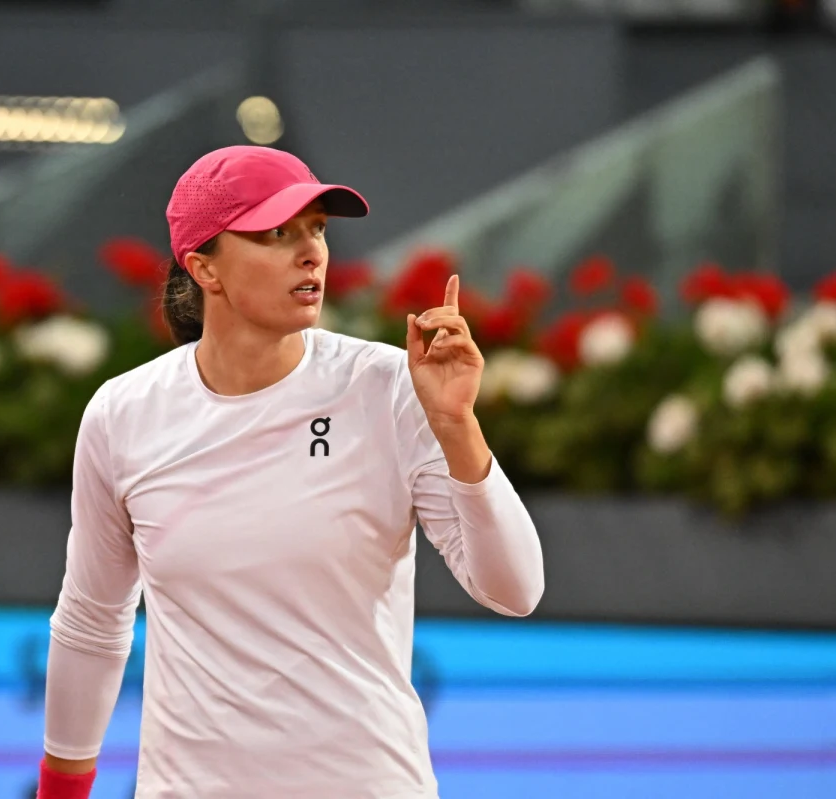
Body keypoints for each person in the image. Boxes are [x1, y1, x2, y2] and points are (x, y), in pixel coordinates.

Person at [38, 146, 544, 799]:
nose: (312, 253)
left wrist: (457, 428)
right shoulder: (124, 413)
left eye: (318, 229)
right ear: (203, 267)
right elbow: (92, 620)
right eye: (278, 233)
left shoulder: (391, 386)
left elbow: (515, 588)